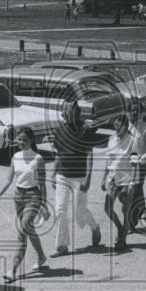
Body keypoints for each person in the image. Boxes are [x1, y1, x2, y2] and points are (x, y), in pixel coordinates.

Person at [0, 126, 49, 281]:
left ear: (31, 140)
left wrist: (44, 205)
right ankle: (42, 257)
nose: (21, 142)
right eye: (19, 139)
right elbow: (9, 179)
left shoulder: (38, 159)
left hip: (33, 197)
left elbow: (42, 184)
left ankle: (12, 271)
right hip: (18, 197)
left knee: (23, 231)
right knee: (29, 230)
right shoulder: (16, 156)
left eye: (24, 139)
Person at [51, 99, 102, 256]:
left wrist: (88, 177)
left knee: (78, 212)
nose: (69, 113)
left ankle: (94, 226)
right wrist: (53, 173)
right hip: (62, 175)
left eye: (72, 110)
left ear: (77, 112)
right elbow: (58, 153)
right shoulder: (60, 130)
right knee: (60, 210)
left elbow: (89, 154)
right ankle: (62, 245)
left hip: (79, 177)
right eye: (67, 110)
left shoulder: (85, 129)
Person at [101, 114, 137, 251]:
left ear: (125, 126)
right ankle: (120, 228)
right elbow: (108, 160)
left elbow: (135, 164)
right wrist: (104, 178)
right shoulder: (111, 139)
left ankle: (123, 240)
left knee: (126, 210)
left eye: (118, 125)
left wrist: (132, 183)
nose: (116, 128)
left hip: (126, 179)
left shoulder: (132, 141)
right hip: (112, 178)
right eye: (114, 125)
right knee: (107, 208)